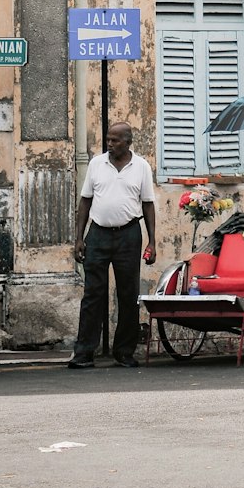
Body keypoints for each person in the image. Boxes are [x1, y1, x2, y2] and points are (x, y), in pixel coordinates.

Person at [69, 121, 156, 370]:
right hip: (98, 235)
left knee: (128, 295)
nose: (109, 144)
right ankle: (84, 352)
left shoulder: (141, 167)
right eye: (108, 139)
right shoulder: (97, 164)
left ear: (128, 142)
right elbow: (85, 202)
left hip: (129, 235)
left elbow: (148, 204)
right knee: (93, 294)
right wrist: (79, 238)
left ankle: (124, 352)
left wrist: (152, 241)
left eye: (115, 140)